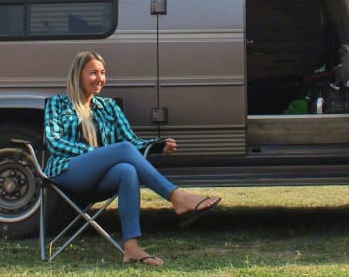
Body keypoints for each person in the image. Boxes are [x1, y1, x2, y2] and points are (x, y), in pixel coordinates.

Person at [44, 50, 221, 266]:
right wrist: (97, 155)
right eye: (93, 73)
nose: (100, 78)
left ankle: (131, 247)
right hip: (67, 172)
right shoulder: (58, 103)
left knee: (127, 170)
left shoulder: (109, 107)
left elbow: (132, 141)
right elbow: (54, 141)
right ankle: (176, 196)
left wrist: (157, 145)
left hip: (100, 178)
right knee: (122, 151)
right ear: (77, 75)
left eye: (103, 73)